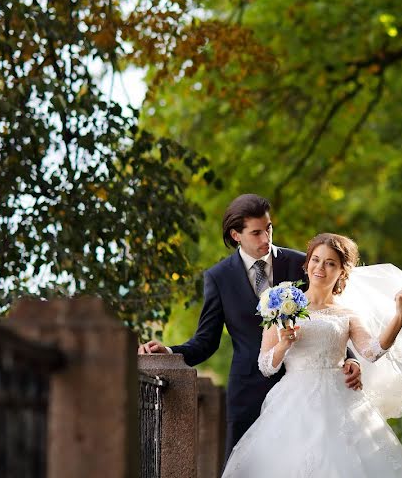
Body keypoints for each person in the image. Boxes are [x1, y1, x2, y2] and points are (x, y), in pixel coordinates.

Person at [137, 195, 362, 459]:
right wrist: (170, 352)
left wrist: (351, 359)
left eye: (268, 228)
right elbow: (206, 341)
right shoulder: (218, 277)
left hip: (305, 394)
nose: (266, 238)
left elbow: (330, 312)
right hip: (247, 393)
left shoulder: (303, 264)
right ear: (236, 235)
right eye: (256, 233)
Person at [221, 232, 402, 478]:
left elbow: (372, 352)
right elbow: (266, 366)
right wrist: (284, 345)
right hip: (294, 401)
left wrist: (399, 317)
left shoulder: (346, 312)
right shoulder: (279, 304)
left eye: (330, 263)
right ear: (306, 265)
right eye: (316, 260)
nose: (321, 267)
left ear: (342, 272)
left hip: (343, 400)